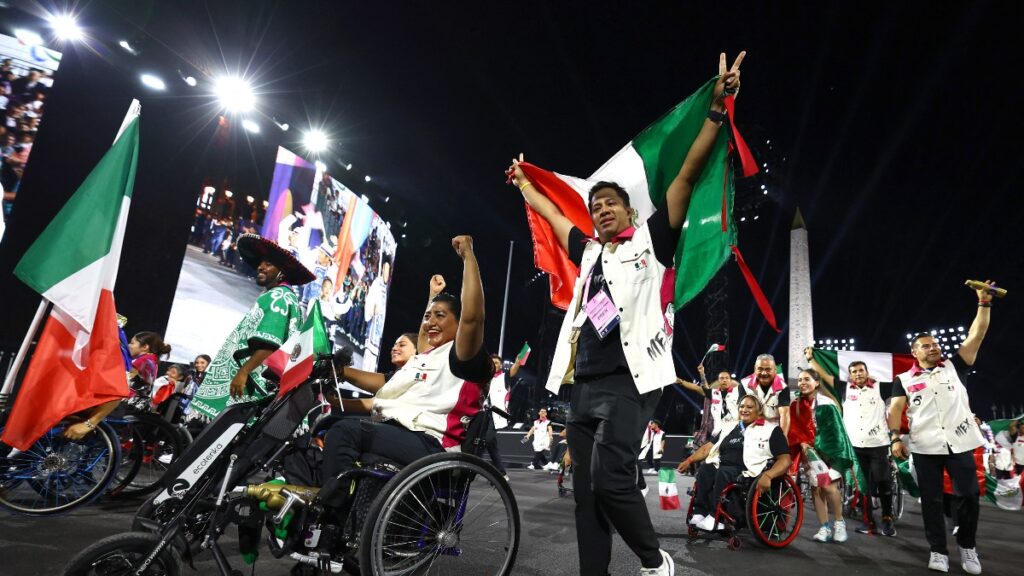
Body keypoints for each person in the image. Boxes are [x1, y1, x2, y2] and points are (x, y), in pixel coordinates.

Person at [508, 51, 745, 576]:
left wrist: (715, 110)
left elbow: (682, 178)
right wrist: (525, 182)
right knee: (586, 494)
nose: (602, 210)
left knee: (613, 478)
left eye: (611, 203)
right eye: (595, 207)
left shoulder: (652, 243)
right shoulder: (589, 252)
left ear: (630, 211)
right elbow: (551, 212)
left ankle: (653, 560)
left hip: (634, 381)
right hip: (585, 384)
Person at [319, 235, 492, 490]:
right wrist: (433, 297)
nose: (430, 322)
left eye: (440, 316)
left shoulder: (463, 356)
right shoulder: (426, 356)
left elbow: (472, 318)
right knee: (327, 427)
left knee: (344, 432)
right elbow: (392, 378)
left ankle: (332, 510)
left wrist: (468, 256)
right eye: (427, 316)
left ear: (457, 323)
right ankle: (345, 509)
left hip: (432, 445)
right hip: (401, 432)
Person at [888, 281, 995, 575]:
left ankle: (967, 546)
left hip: (960, 442)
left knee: (969, 495)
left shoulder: (954, 366)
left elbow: (978, 333)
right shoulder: (904, 379)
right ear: (914, 352)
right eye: (927, 345)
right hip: (925, 446)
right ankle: (938, 550)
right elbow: (895, 409)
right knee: (931, 501)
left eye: (936, 344)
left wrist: (983, 303)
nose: (934, 347)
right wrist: (895, 437)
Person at [189, 234, 313, 421]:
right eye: (261, 263)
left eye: (268, 264)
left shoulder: (278, 297)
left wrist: (243, 372)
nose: (260, 267)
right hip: (259, 383)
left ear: (282, 272)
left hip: (251, 384)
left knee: (226, 436)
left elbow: (270, 342)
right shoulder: (286, 297)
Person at [806, 347, 896, 536]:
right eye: (853, 372)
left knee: (883, 481)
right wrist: (812, 359)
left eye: (861, 370)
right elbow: (824, 376)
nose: (857, 374)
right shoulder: (843, 389)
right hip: (854, 445)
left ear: (867, 372)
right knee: (862, 486)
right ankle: (868, 521)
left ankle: (887, 518)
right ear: (850, 375)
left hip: (878, 443)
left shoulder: (882, 386)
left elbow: (902, 385)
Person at [677, 395, 791, 532]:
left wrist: (768, 475)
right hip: (722, 466)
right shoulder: (729, 428)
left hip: (748, 471)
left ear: (759, 411)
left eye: (750, 407)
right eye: (742, 406)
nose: (744, 409)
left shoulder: (771, 430)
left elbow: (785, 459)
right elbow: (708, 448)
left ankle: (716, 517)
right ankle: (700, 512)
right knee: (705, 469)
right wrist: (689, 460)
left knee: (723, 472)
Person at [787, 369, 851, 543]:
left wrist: (819, 447)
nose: (802, 383)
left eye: (806, 379)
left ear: (817, 382)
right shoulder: (796, 404)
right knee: (816, 489)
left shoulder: (827, 403)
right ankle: (824, 527)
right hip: (810, 453)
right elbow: (794, 430)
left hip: (831, 452)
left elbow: (836, 433)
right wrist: (803, 443)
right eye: (800, 380)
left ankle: (839, 522)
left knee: (829, 487)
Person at [679, 365, 741, 442]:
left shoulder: (738, 391)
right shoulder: (713, 393)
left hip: (735, 431)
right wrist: (681, 381)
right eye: (722, 378)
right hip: (718, 432)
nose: (724, 380)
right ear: (718, 381)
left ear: (730, 381)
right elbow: (696, 387)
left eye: (727, 378)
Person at [743, 354, 791, 436]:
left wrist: (783, 438)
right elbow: (741, 412)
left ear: (775, 370)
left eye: (768, 369)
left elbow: (785, 414)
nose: (764, 373)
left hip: (773, 430)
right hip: (750, 428)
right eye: (760, 369)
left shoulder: (783, 388)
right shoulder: (744, 384)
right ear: (755, 369)